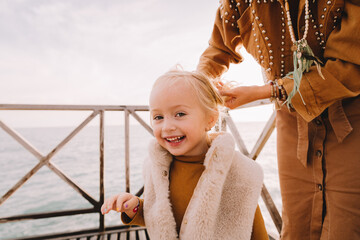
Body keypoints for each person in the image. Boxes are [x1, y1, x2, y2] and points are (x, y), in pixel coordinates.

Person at [197, 0, 360, 239]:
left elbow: (352, 64)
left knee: (345, 228)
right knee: (296, 226)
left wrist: (270, 91)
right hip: (292, 124)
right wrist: (191, 88)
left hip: (351, 120)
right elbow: (218, 49)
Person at [101, 68, 268, 239]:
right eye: (158, 117)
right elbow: (160, 217)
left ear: (210, 119)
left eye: (180, 114)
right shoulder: (156, 167)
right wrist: (134, 207)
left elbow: (251, 226)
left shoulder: (238, 171)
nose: (167, 127)